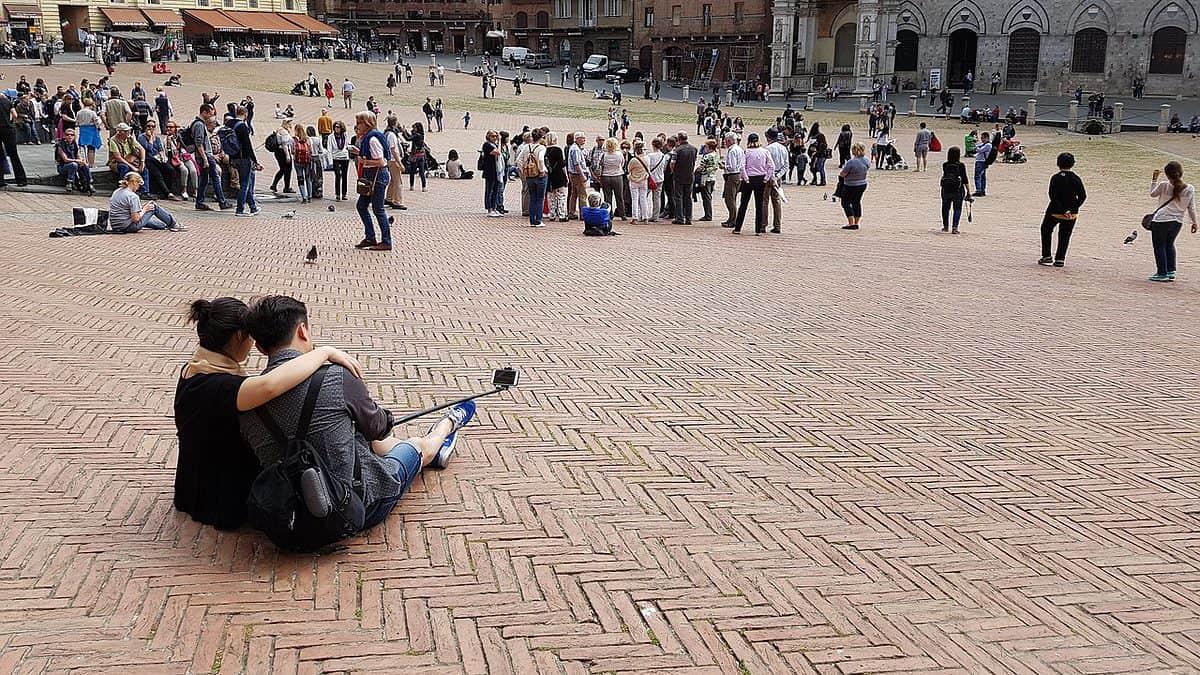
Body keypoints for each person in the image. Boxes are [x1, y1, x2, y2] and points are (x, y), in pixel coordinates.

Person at [237, 296, 474, 546]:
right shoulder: (336, 377)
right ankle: (447, 427)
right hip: (354, 507)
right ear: (302, 330)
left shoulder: (245, 399)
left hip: (287, 517)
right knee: (415, 446)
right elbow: (379, 428)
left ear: (261, 348)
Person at [174, 297, 364, 530]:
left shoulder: (193, 371)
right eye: (251, 336)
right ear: (238, 337)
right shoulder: (219, 386)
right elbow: (269, 385)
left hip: (192, 487)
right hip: (222, 500)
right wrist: (323, 353)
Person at [1147, 161, 1197, 282]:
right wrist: (1194, 222)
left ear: (1167, 175)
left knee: (1159, 246)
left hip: (1161, 220)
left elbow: (1152, 194)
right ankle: (1171, 270)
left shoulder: (1164, 185)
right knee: (1169, 244)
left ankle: (1162, 272)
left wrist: (1154, 179)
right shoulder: (1189, 188)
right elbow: (1191, 207)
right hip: (1177, 222)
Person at [350, 111, 393, 251]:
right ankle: (370, 237)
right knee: (361, 206)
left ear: (367, 124)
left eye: (359, 123)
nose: (357, 126)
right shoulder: (368, 138)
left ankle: (386, 241)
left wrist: (363, 160)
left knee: (378, 209)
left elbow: (381, 162)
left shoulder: (372, 139)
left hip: (377, 176)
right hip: (373, 176)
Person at [1039, 152, 1087, 268]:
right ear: (1073, 164)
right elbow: (1083, 196)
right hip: (1072, 214)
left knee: (1046, 229)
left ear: (1058, 163)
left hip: (1055, 211)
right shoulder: (1076, 179)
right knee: (1065, 236)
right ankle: (1060, 259)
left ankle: (1046, 255)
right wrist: (1072, 209)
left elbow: (1053, 196)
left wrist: (1063, 210)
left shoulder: (1055, 178)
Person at [108, 172, 185, 233]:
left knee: (152, 220)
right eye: (139, 184)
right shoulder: (132, 196)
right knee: (153, 206)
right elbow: (136, 219)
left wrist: (141, 209)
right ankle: (173, 224)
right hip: (128, 226)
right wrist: (144, 209)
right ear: (134, 182)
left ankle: (164, 225)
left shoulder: (117, 191)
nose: (139, 187)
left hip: (116, 225)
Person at [732, 133, 774, 235]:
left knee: (743, 204)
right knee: (759, 205)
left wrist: (746, 179)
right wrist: (766, 178)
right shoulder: (765, 151)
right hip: (761, 178)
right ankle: (758, 229)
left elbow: (742, 166)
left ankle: (738, 228)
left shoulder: (746, 152)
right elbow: (771, 166)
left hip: (749, 179)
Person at [190, 104, 229, 210]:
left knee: (204, 180)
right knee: (215, 178)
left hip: (204, 156)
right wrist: (205, 159)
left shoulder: (198, 124)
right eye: (210, 114)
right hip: (206, 156)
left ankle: (200, 202)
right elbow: (199, 143)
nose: (211, 116)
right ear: (204, 112)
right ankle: (222, 201)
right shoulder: (199, 125)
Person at [939, 146, 971, 234]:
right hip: (958, 190)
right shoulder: (961, 165)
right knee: (957, 209)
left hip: (946, 189)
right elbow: (965, 179)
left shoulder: (945, 164)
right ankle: (955, 227)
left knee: (945, 208)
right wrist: (968, 191)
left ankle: (945, 226)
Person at [838, 142, 870, 230]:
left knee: (845, 202)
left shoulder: (851, 162)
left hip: (850, 185)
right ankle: (856, 222)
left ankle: (850, 222)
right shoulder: (867, 160)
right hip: (862, 183)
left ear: (855, 150)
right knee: (856, 202)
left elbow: (843, 174)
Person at [597, 137, 627, 222]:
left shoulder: (603, 155)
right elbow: (622, 164)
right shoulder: (619, 154)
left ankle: (609, 214)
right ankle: (622, 214)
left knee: (607, 197)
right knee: (619, 197)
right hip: (617, 176)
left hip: (605, 176)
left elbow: (601, 164)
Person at [55, 127, 93, 194]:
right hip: (63, 166)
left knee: (84, 165)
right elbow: (65, 159)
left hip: (73, 164)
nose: (70, 136)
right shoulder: (60, 145)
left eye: (72, 135)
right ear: (64, 136)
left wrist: (81, 161)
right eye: (67, 135)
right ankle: (69, 182)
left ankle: (89, 183)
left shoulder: (75, 144)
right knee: (73, 165)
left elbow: (78, 155)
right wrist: (77, 160)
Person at [670, 132, 697, 225]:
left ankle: (680, 217)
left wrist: (673, 171)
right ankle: (689, 217)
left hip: (679, 176)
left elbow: (672, 163)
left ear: (679, 139)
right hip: (690, 175)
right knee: (688, 197)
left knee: (678, 196)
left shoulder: (677, 150)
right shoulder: (694, 149)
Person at [764, 131, 789, 232]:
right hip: (778, 176)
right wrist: (778, 176)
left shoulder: (767, 149)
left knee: (764, 201)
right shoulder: (783, 149)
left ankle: (763, 224)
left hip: (768, 176)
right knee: (776, 201)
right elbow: (786, 165)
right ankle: (777, 225)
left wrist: (771, 176)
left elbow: (766, 165)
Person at [0, 92, 26, 187]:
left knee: (0, 155)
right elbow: (15, 115)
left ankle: (1, 180)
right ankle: (21, 179)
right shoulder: (7, 102)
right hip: (8, 129)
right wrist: (11, 122)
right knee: (13, 154)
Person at [720, 133, 744, 228]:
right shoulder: (739, 149)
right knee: (732, 198)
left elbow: (732, 167)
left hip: (732, 175)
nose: (725, 143)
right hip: (738, 175)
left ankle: (733, 219)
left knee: (729, 198)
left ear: (729, 141)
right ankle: (732, 218)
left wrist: (724, 166)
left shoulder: (732, 150)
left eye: (726, 141)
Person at [544, 132, 568, 222]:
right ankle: (562, 214)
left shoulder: (545, 150)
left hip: (549, 175)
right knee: (561, 195)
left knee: (551, 196)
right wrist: (566, 175)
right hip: (558, 175)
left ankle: (552, 214)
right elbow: (562, 164)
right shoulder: (558, 150)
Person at [566, 130, 589, 220]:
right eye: (582, 138)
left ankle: (571, 212)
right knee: (582, 194)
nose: (584, 140)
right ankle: (583, 214)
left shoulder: (575, 147)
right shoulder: (575, 149)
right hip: (577, 175)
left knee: (574, 193)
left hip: (573, 174)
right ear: (577, 139)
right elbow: (577, 164)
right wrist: (582, 175)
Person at [627, 140, 652, 223]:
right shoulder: (647, 158)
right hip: (644, 179)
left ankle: (635, 217)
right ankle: (645, 217)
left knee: (634, 199)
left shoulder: (634, 160)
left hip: (634, 180)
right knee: (643, 198)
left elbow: (629, 169)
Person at [696, 138, 720, 223]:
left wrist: (696, 171)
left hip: (705, 178)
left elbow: (701, 167)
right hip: (713, 177)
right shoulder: (716, 155)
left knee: (706, 197)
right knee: (709, 196)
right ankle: (708, 214)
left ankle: (708, 215)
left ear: (709, 147)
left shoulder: (707, 156)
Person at [269, 119, 294, 194]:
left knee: (282, 169)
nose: (291, 125)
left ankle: (274, 184)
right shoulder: (284, 132)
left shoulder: (279, 130)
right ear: (286, 124)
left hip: (278, 152)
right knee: (288, 170)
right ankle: (286, 187)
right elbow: (284, 144)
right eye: (290, 123)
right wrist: (287, 155)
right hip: (283, 152)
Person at [75, 98, 102, 168]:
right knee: (91, 148)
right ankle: (91, 164)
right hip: (91, 130)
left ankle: (84, 163)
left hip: (82, 130)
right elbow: (97, 122)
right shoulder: (92, 112)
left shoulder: (79, 112)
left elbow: (76, 122)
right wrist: (100, 122)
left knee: (82, 147)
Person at [482, 130, 503, 217]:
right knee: (489, 190)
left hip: (497, 170)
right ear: (488, 137)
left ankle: (494, 208)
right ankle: (489, 208)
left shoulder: (495, 145)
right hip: (490, 171)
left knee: (496, 190)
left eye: (495, 136)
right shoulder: (487, 145)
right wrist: (499, 143)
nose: (494, 138)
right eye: (492, 136)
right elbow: (497, 152)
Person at [329, 120, 351, 202]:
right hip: (336, 157)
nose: (336, 129)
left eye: (338, 127)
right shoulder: (331, 137)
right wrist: (330, 161)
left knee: (344, 175)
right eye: (335, 127)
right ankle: (337, 194)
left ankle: (344, 193)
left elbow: (346, 145)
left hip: (344, 157)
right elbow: (329, 149)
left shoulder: (345, 135)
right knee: (338, 175)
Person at [404, 121, 428, 192]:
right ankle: (424, 187)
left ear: (418, 128)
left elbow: (408, 138)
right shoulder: (421, 135)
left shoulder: (416, 135)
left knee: (412, 171)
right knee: (421, 172)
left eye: (414, 128)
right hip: (421, 155)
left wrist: (404, 132)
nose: (413, 129)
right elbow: (411, 137)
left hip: (415, 156)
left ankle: (411, 186)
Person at [293, 124, 314, 204]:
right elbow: (311, 150)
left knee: (300, 178)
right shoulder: (308, 139)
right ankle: (310, 196)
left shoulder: (294, 140)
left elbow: (292, 150)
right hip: (307, 162)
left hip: (298, 162)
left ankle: (303, 197)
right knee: (308, 178)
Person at [972, 131, 992, 197]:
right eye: (981, 138)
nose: (982, 139)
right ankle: (982, 190)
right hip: (981, 161)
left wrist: (975, 146)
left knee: (978, 176)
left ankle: (979, 190)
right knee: (982, 176)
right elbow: (978, 147)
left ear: (987, 138)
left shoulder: (988, 145)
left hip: (981, 161)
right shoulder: (985, 144)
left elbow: (979, 150)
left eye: (983, 138)